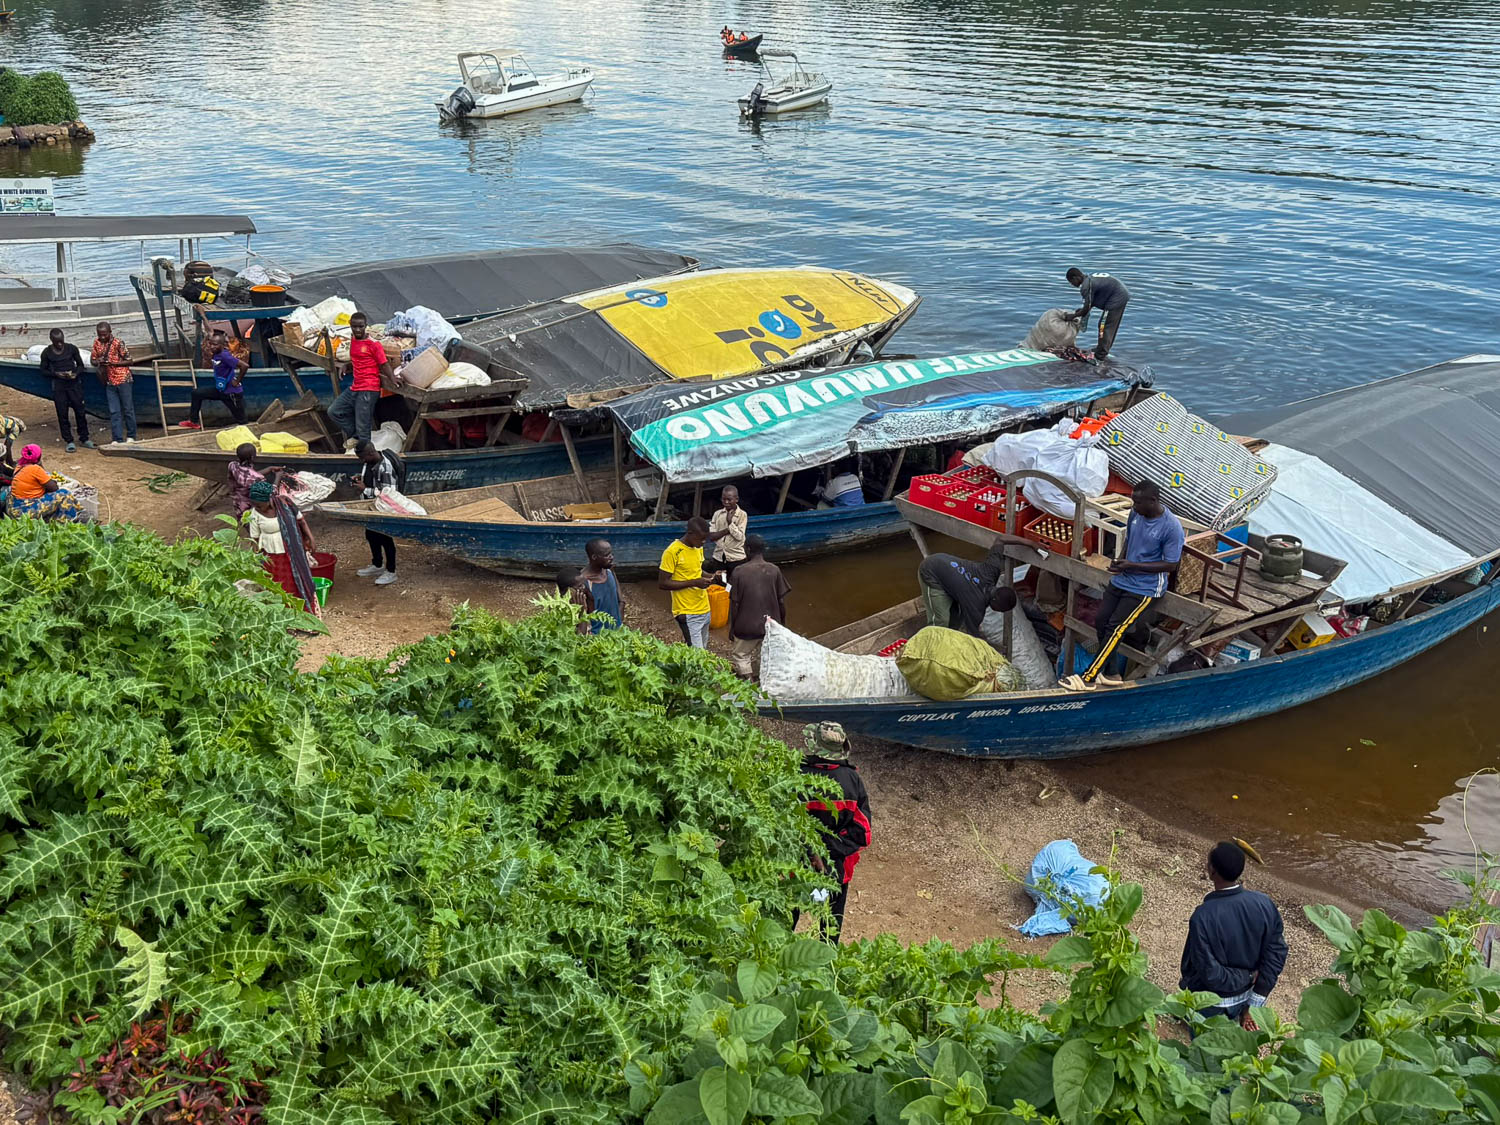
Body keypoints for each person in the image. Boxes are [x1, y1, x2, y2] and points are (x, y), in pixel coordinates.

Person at [1078, 480, 1183, 684]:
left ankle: (1089, 675)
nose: (1134, 507)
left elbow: (1171, 564)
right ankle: (1112, 673)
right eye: (1133, 502)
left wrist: (1132, 566)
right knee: (1101, 620)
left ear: (1153, 501)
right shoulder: (1136, 514)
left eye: (1138, 503)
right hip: (1123, 578)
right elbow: (1130, 538)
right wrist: (1120, 561)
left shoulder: (1171, 528)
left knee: (1116, 627)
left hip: (1146, 588)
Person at [1180, 841, 1287, 1026]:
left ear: (1212, 872)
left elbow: (1210, 974)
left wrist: (1247, 977)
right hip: (1247, 996)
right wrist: (1254, 1003)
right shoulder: (1264, 903)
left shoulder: (1202, 916)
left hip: (1212, 1002)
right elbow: (1277, 953)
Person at [798, 722, 871, 943]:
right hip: (836, 868)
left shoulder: (795, 776)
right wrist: (830, 851)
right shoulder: (852, 781)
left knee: (785, 915)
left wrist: (811, 851)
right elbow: (862, 832)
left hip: (796, 863)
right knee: (830, 927)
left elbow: (781, 823)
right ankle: (826, 968)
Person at [917, 532, 1034, 636]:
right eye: (999, 609)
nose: (997, 611)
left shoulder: (991, 571)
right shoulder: (976, 606)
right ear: (994, 602)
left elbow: (1001, 539)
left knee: (956, 620)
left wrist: (1031, 543)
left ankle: (947, 641)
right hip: (931, 571)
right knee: (940, 622)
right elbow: (973, 636)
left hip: (944, 562)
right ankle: (931, 647)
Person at [727, 534, 790, 679]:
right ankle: (765, 680)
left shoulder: (738, 571)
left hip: (746, 626)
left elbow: (734, 603)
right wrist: (782, 625)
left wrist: (733, 627)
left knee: (741, 655)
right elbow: (781, 602)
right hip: (769, 625)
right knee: (766, 655)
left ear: (747, 549)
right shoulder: (774, 570)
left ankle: (747, 678)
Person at [329, 313, 394, 445]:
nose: (357, 330)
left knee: (363, 426)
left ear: (366, 326)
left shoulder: (373, 344)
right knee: (334, 411)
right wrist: (346, 365)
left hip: (368, 389)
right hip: (355, 386)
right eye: (354, 327)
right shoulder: (353, 340)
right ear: (350, 326)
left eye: (361, 327)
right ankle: (357, 438)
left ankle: (365, 452)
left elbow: (384, 363)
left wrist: (393, 378)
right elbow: (357, 359)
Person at [658, 516, 720, 648]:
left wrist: (712, 576)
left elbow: (697, 570)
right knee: (696, 655)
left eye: (705, 538)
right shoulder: (672, 552)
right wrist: (693, 583)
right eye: (701, 538)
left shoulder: (698, 547)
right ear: (690, 533)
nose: (703, 542)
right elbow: (663, 583)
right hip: (687, 611)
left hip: (704, 608)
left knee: (703, 650)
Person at [350, 440, 399, 585]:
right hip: (371, 506)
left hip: (384, 508)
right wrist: (360, 480)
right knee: (371, 535)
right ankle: (377, 565)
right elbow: (370, 480)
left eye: (363, 457)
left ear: (371, 453)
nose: (362, 461)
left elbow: (389, 494)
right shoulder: (369, 463)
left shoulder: (386, 467)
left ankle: (391, 571)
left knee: (385, 538)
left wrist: (365, 489)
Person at [39, 329, 92, 452]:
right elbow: (43, 370)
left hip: (74, 385)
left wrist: (75, 374)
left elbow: (80, 366)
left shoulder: (72, 349)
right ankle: (69, 440)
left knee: (80, 412)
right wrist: (57, 374)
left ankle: (84, 438)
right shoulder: (47, 353)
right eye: (57, 342)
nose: (60, 344)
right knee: (62, 414)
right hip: (59, 387)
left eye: (61, 341)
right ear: (52, 340)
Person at [181, 330, 248, 429]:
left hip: (231, 393)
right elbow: (210, 330)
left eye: (215, 345)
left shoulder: (225, 356)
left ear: (222, 345)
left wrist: (237, 381)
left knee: (242, 420)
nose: (212, 347)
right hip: (221, 390)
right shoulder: (216, 354)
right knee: (196, 393)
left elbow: (244, 366)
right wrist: (203, 316)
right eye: (211, 344)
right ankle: (193, 421)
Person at [1066, 268, 1131, 359]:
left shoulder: (1085, 286)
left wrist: (1072, 316)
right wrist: (1080, 311)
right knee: (1109, 325)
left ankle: (1100, 354)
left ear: (1075, 278)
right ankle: (1102, 349)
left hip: (1116, 299)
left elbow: (1086, 308)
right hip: (1121, 294)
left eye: (1071, 282)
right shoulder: (1089, 278)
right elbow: (1090, 303)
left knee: (1104, 326)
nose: (1072, 284)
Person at [90, 321, 136, 446]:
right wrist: (99, 361)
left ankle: (131, 436)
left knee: (128, 409)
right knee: (114, 411)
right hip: (109, 381)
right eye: (100, 335)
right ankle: (117, 438)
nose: (102, 337)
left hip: (123, 379)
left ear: (110, 332)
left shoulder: (118, 343)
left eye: (105, 334)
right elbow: (92, 360)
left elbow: (130, 361)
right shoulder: (97, 343)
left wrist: (113, 363)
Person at [6, 443, 81, 520]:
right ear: (39, 457)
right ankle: (66, 521)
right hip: (24, 511)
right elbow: (54, 488)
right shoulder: (35, 469)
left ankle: (59, 516)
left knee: (46, 493)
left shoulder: (19, 466)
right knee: (64, 494)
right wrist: (40, 466)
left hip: (13, 507)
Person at [581, 538, 623, 632]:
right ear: (594, 557)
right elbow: (583, 616)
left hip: (617, 630)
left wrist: (621, 608)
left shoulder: (608, 571)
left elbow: (617, 596)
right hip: (599, 637)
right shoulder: (584, 582)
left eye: (611, 554)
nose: (611, 557)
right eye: (606, 555)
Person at [708, 485, 748, 575]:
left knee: (736, 585)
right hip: (719, 557)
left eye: (729, 500)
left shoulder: (742, 515)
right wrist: (727, 530)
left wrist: (730, 522)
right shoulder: (717, 514)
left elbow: (740, 537)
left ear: (736, 499)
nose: (726, 502)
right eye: (723, 499)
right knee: (721, 585)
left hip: (736, 558)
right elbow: (712, 536)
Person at [228, 443, 267, 519]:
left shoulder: (232, 465)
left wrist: (269, 469)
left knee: (243, 520)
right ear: (252, 457)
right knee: (252, 524)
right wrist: (278, 477)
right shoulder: (258, 479)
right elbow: (271, 491)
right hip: (251, 507)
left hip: (238, 503)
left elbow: (249, 475)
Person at [556, 566, 595, 635]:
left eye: (584, 584)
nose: (584, 587)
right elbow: (579, 638)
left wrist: (590, 597)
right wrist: (582, 612)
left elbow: (592, 618)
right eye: (580, 586)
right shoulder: (560, 609)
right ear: (569, 591)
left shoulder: (578, 599)